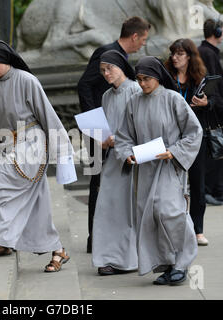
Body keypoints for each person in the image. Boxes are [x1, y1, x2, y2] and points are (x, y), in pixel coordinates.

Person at [0, 40, 76, 273]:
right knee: (36, 203)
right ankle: (57, 250)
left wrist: (62, 152)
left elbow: (48, 115)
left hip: (32, 141)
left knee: (1, 182)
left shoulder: (27, 80)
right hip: (7, 144)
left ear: (6, 60)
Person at [114, 56, 202, 286]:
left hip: (169, 167)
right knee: (151, 217)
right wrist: (127, 154)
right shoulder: (133, 102)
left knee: (169, 212)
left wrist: (174, 152)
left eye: (147, 79)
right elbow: (123, 137)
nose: (142, 84)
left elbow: (194, 132)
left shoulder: (173, 99)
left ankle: (182, 263)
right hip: (144, 170)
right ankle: (168, 264)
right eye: (139, 79)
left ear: (158, 77)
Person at [77, 16, 151, 253]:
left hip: (117, 136)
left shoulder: (121, 63)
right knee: (99, 186)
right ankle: (95, 239)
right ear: (134, 36)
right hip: (101, 134)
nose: (143, 45)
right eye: (143, 40)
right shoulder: (107, 53)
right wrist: (96, 128)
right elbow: (84, 85)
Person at [92, 50, 141, 276]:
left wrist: (119, 139)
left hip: (131, 158)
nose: (106, 73)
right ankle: (108, 257)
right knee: (107, 209)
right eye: (103, 70)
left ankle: (126, 260)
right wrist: (102, 140)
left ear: (121, 66)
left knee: (127, 210)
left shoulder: (136, 90)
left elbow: (141, 126)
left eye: (109, 68)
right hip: (113, 159)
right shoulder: (106, 96)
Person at [164, 38, 214, 246]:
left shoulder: (198, 79)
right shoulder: (166, 78)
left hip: (195, 137)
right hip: (172, 136)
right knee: (172, 183)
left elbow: (216, 104)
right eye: (173, 53)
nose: (175, 57)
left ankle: (198, 230)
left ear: (189, 57)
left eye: (180, 54)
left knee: (197, 182)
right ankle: (174, 229)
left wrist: (206, 103)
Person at [198, 19, 223, 206]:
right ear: (217, 32)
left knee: (221, 152)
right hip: (214, 110)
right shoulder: (207, 53)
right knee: (215, 152)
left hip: (216, 108)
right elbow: (212, 85)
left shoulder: (209, 52)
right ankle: (208, 190)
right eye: (221, 31)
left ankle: (217, 190)